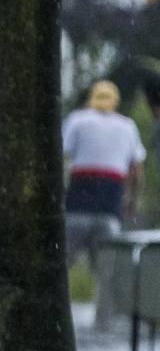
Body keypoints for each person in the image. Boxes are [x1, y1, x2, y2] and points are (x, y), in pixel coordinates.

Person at [61, 79, 146, 266]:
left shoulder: (77, 120)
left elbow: (63, 156)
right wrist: (132, 201)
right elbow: (137, 170)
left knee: (62, 264)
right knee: (107, 271)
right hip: (110, 207)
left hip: (77, 206)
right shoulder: (127, 126)